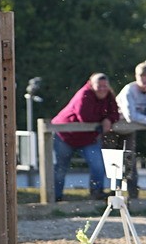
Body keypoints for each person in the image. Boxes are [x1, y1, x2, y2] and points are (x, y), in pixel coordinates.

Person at [52, 73, 121, 201]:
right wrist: (104, 120)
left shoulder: (109, 96)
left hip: (88, 138)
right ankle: (55, 197)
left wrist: (109, 119)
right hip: (65, 136)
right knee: (61, 168)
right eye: (98, 86)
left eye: (105, 86)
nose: (102, 89)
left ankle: (97, 193)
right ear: (91, 84)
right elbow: (85, 117)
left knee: (98, 165)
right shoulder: (84, 95)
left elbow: (115, 113)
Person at [116, 60, 146, 200]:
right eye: (142, 75)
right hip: (114, 128)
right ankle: (110, 195)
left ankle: (133, 196)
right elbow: (131, 116)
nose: (145, 79)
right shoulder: (129, 90)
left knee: (129, 160)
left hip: (129, 130)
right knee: (113, 162)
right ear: (136, 76)